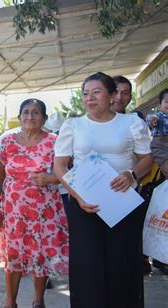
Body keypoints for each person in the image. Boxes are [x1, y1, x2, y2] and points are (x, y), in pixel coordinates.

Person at [54, 72, 153, 308]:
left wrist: (131, 174)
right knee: (87, 266)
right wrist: (77, 197)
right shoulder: (73, 125)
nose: (89, 98)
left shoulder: (131, 123)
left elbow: (146, 159)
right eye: (85, 93)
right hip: (83, 205)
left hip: (123, 203)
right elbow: (59, 165)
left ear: (111, 95)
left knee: (123, 263)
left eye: (96, 92)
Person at [0, 99, 68, 308]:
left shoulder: (55, 141)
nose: (30, 117)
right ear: (19, 117)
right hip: (13, 210)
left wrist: (52, 179)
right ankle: (10, 303)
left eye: (36, 113)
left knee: (39, 255)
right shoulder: (7, 142)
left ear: (43, 118)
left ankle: (38, 301)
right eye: (26, 112)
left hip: (45, 209)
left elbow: (69, 171)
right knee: (13, 256)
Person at [146, 88, 168, 274]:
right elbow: (149, 120)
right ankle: (153, 257)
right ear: (160, 105)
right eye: (166, 102)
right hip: (160, 147)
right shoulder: (157, 118)